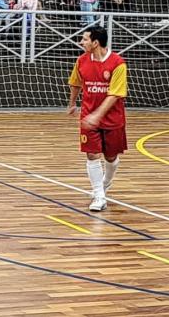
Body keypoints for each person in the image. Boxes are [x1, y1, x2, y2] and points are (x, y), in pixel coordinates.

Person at [67, 26, 127, 212]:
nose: (81, 42)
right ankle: (99, 196)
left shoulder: (118, 63)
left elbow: (114, 95)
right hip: (88, 116)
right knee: (92, 154)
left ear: (95, 43)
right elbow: (76, 83)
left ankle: (106, 182)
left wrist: (97, 115)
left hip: (112, 118)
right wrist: (72, 104)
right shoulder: (81, 61)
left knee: (111, 157)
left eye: (84, 39)